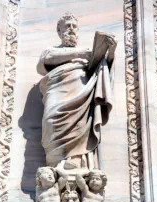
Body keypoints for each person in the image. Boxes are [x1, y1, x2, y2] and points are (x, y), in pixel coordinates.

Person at [37, 12, 117, 170]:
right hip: (57, 93)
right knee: (51, 121)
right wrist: (79, 54)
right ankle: (54, 168)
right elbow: (44, 63)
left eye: (74, 26)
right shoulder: (51, 50)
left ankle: (77, 164)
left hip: (82, 95)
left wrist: (111, 52)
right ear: (59, 31)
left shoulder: (87, 52)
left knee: (81, 128)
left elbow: (103, 73)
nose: (71, 29)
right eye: (67, 26)